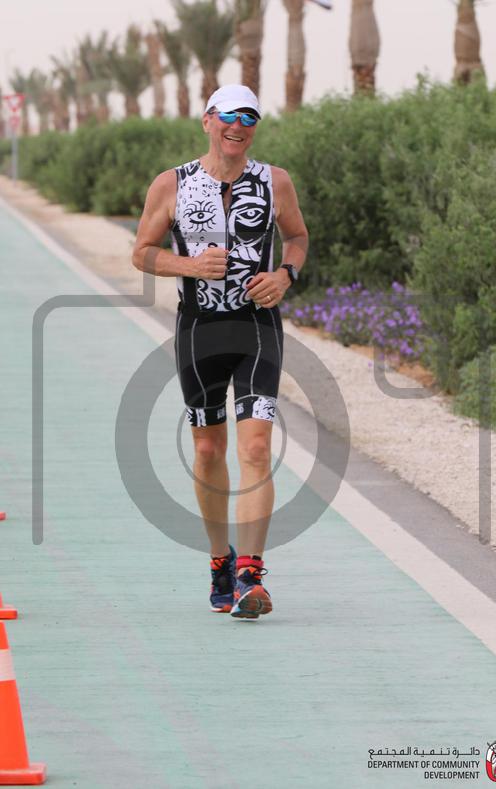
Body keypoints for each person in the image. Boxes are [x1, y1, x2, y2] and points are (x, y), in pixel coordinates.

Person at [132, 84, 308, 619]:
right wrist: (189, 266)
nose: (238, 126)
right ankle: (220, 563)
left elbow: (297, 237)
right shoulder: (172, 183)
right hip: (200, 329)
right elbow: (142, 252)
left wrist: (285, 274)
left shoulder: (275, 181)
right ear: (208, 120)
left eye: (249, 117)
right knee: (208, 450)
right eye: (229, 115)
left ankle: (251, 576)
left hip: (257, 327)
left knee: (255, 447)